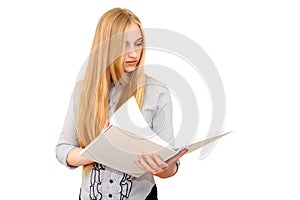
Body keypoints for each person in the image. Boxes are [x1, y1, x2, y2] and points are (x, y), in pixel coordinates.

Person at [56, 7, 187, 200]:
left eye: (138, 44)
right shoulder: (82, 91)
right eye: (125, 45)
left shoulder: (157, 92)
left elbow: (169, 167)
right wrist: (98, 152)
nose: (134, 53)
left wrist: (165, 168)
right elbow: (63, 148)